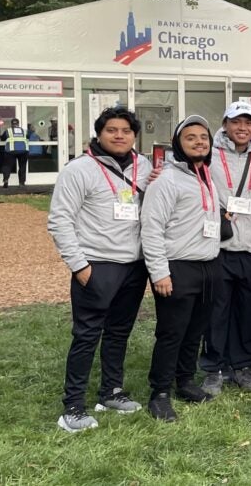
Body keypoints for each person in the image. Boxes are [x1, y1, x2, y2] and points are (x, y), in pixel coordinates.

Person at [48, 107, 150, 432]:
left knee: (119, 333)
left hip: (134, 268)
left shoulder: (144, 167)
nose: (119, 135)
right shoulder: (79, 170)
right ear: (99, 134)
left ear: (134, 136)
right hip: (96, 267)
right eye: (112, 130)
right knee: (86, 336)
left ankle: (111, 392)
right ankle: (73, 407)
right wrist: (80, 266)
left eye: (125, 130)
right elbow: (60, 220)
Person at [141, 115, 222, 421]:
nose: (199, 142)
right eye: (191, 138)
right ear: (178, 144)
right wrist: (159, 271)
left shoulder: (207, 176)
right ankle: (159, 392)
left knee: (195, 331)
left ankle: (185, 381)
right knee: (171, 332)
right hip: (177, 267)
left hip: (208, 265)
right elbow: (151, 228)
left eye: (204, 137)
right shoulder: (166, 180)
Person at [200, 102, 251, 396]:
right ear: (225, 124)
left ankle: (241, 364)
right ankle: (214, 367)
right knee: (216, 310)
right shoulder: (208, 155)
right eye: (236, 122)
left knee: (246, 310)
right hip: (218, 245)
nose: (242, 128)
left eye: (248, 123)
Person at [2, 117, 29, 187]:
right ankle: (22, 183)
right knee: (22, 166)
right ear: (18, 124)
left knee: (7, 166)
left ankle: (6, 180)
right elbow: (28, 137)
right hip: (23, 151)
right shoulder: (24, 130)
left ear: (11, 124)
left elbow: (2, 138)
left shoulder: (8, 130)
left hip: (11, 150)